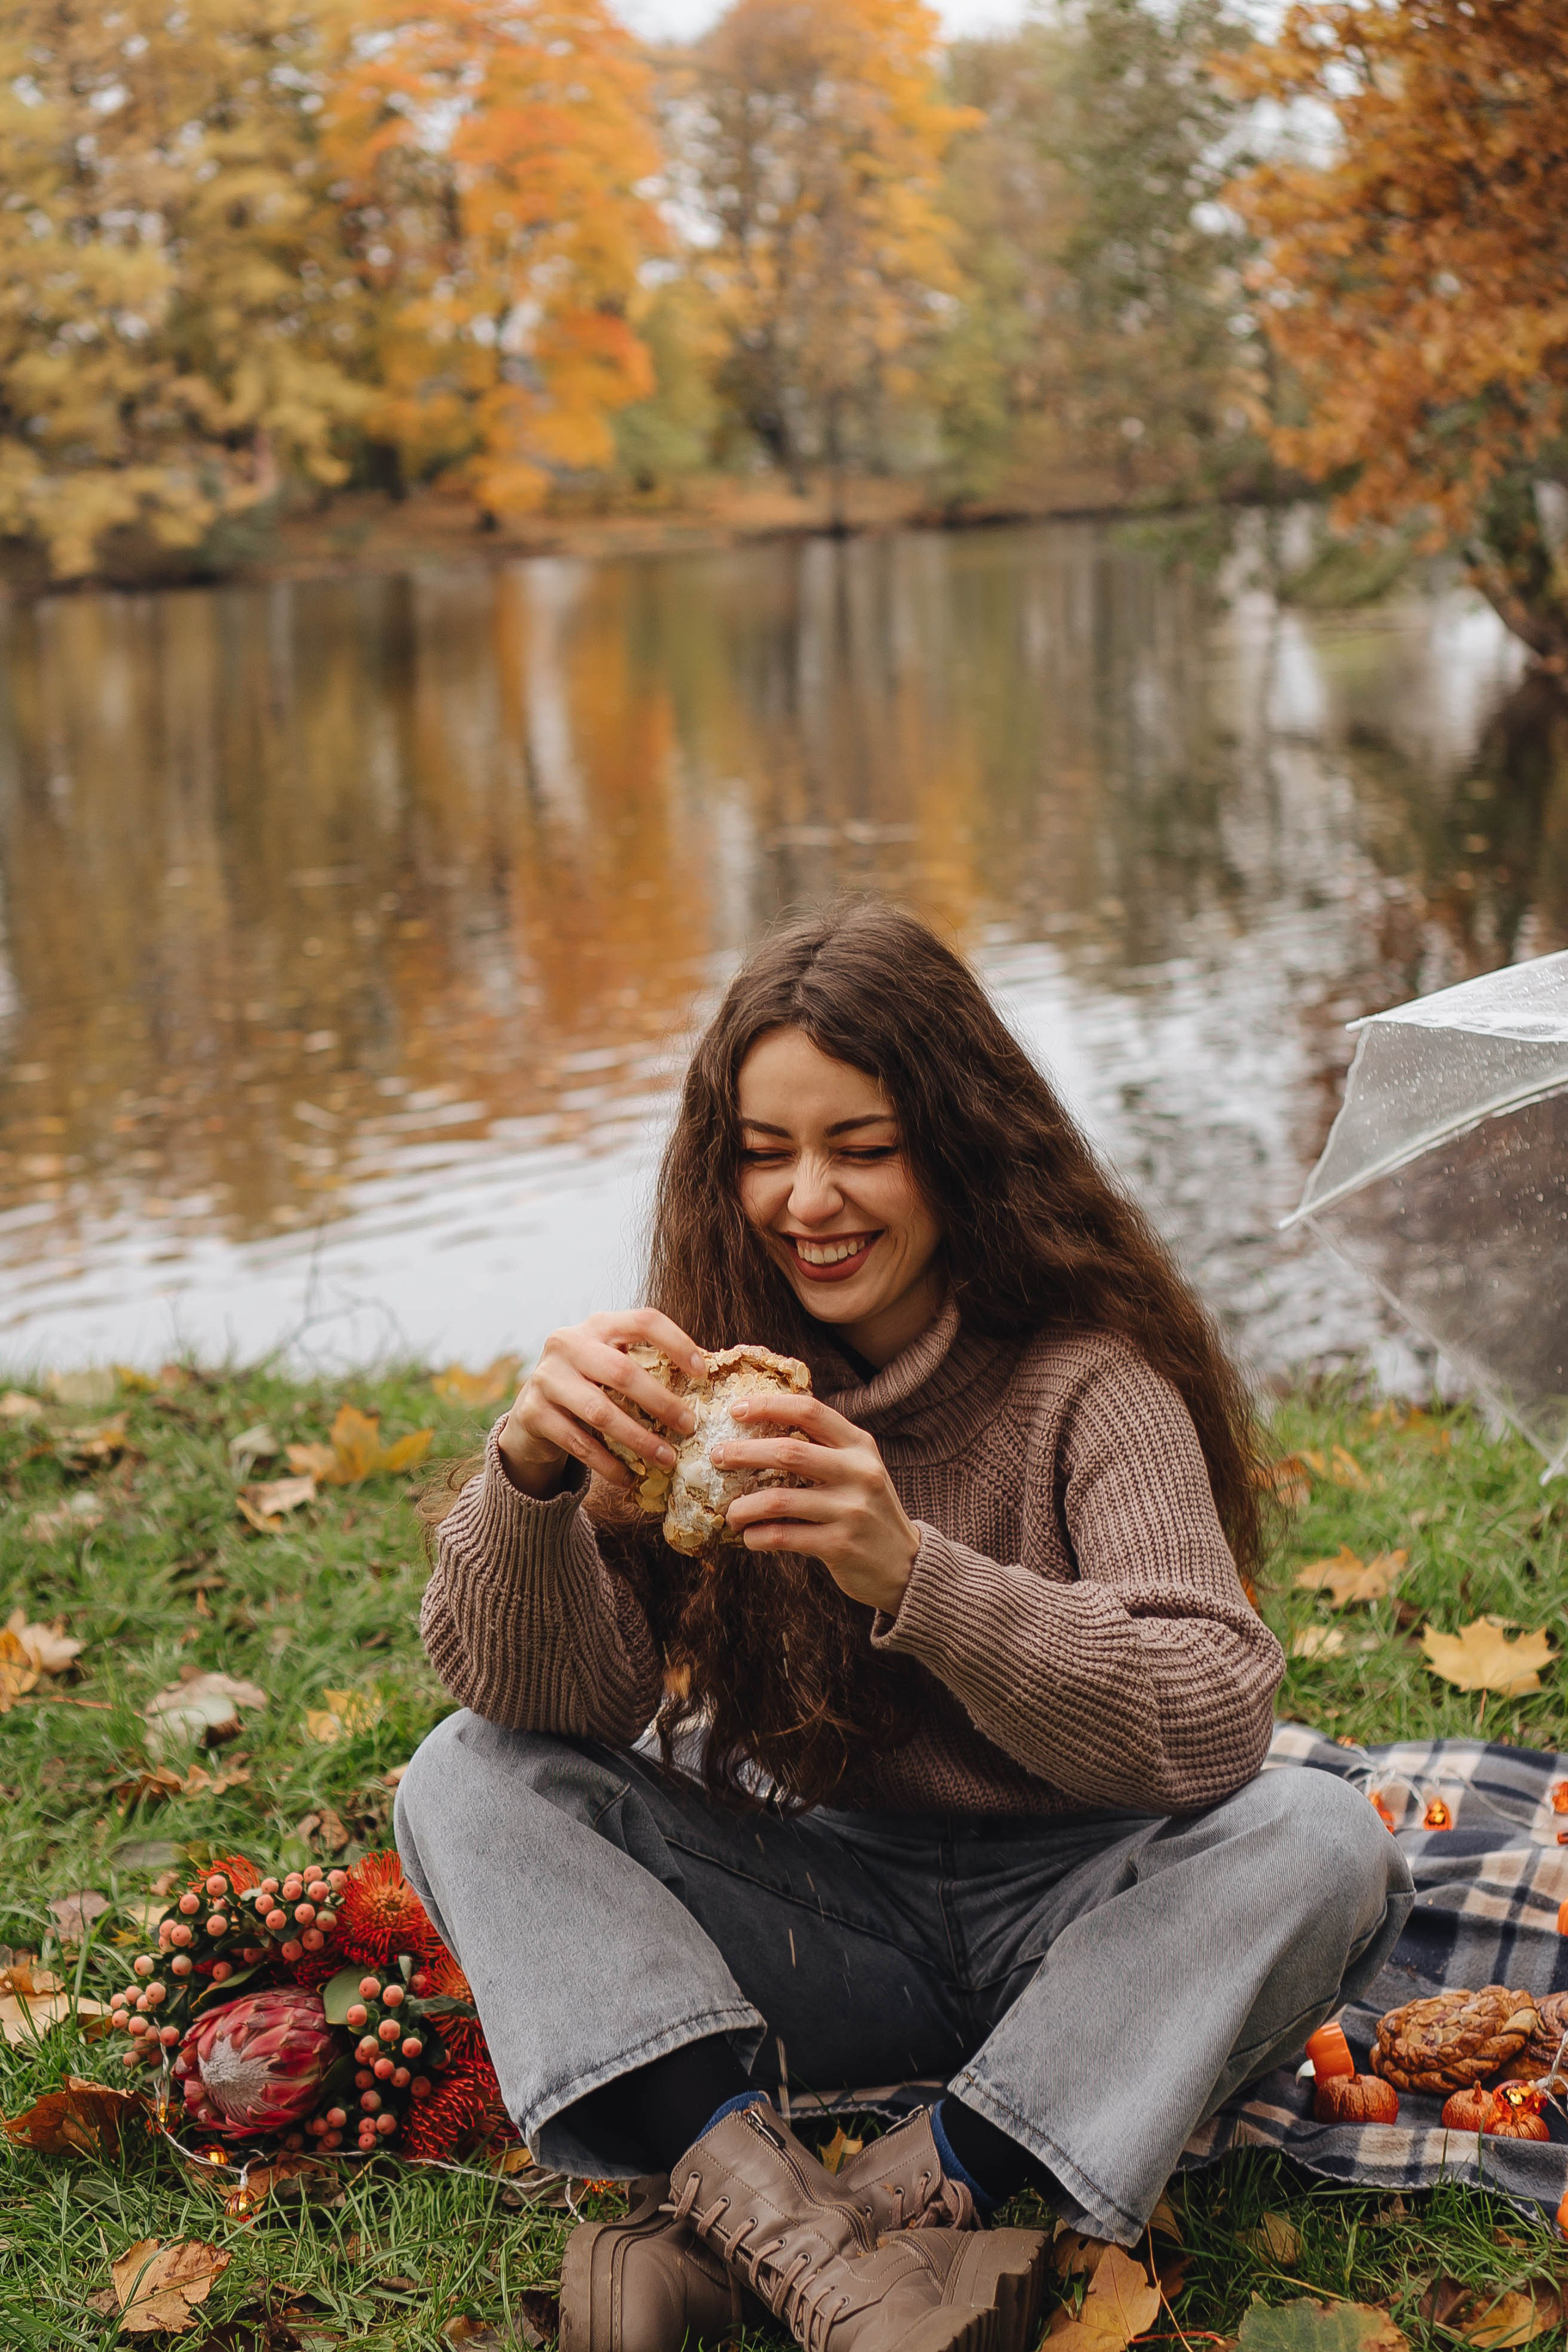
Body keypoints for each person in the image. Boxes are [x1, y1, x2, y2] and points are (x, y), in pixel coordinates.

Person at [396, 900, 1413, 2352]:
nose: (807, 1200)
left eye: (858, 1147)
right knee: (463, 1776)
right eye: (764, 1151)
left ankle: (910, 2192)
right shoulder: (689, 1384)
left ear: (956, 1140)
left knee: (1321, 1839)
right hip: (824, 1926)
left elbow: (1208, 1715)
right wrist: (531, 1487)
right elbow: (546, 1704)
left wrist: (913, 1577)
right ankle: (803, 2230)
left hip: (1088, 1926)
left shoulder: (1089, 1385)